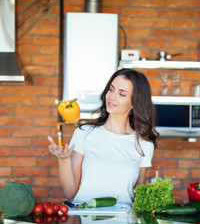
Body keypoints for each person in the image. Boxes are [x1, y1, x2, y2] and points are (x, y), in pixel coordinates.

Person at [48, 68, 159, 204]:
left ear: (134, 103)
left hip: (122, 222)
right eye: (111, 89)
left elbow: (137, 196)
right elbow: (69, 193)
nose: (111, 97)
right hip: (85, 220)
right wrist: (63, 160)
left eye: (122, 94)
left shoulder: (144, 144)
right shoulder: (84, 133)